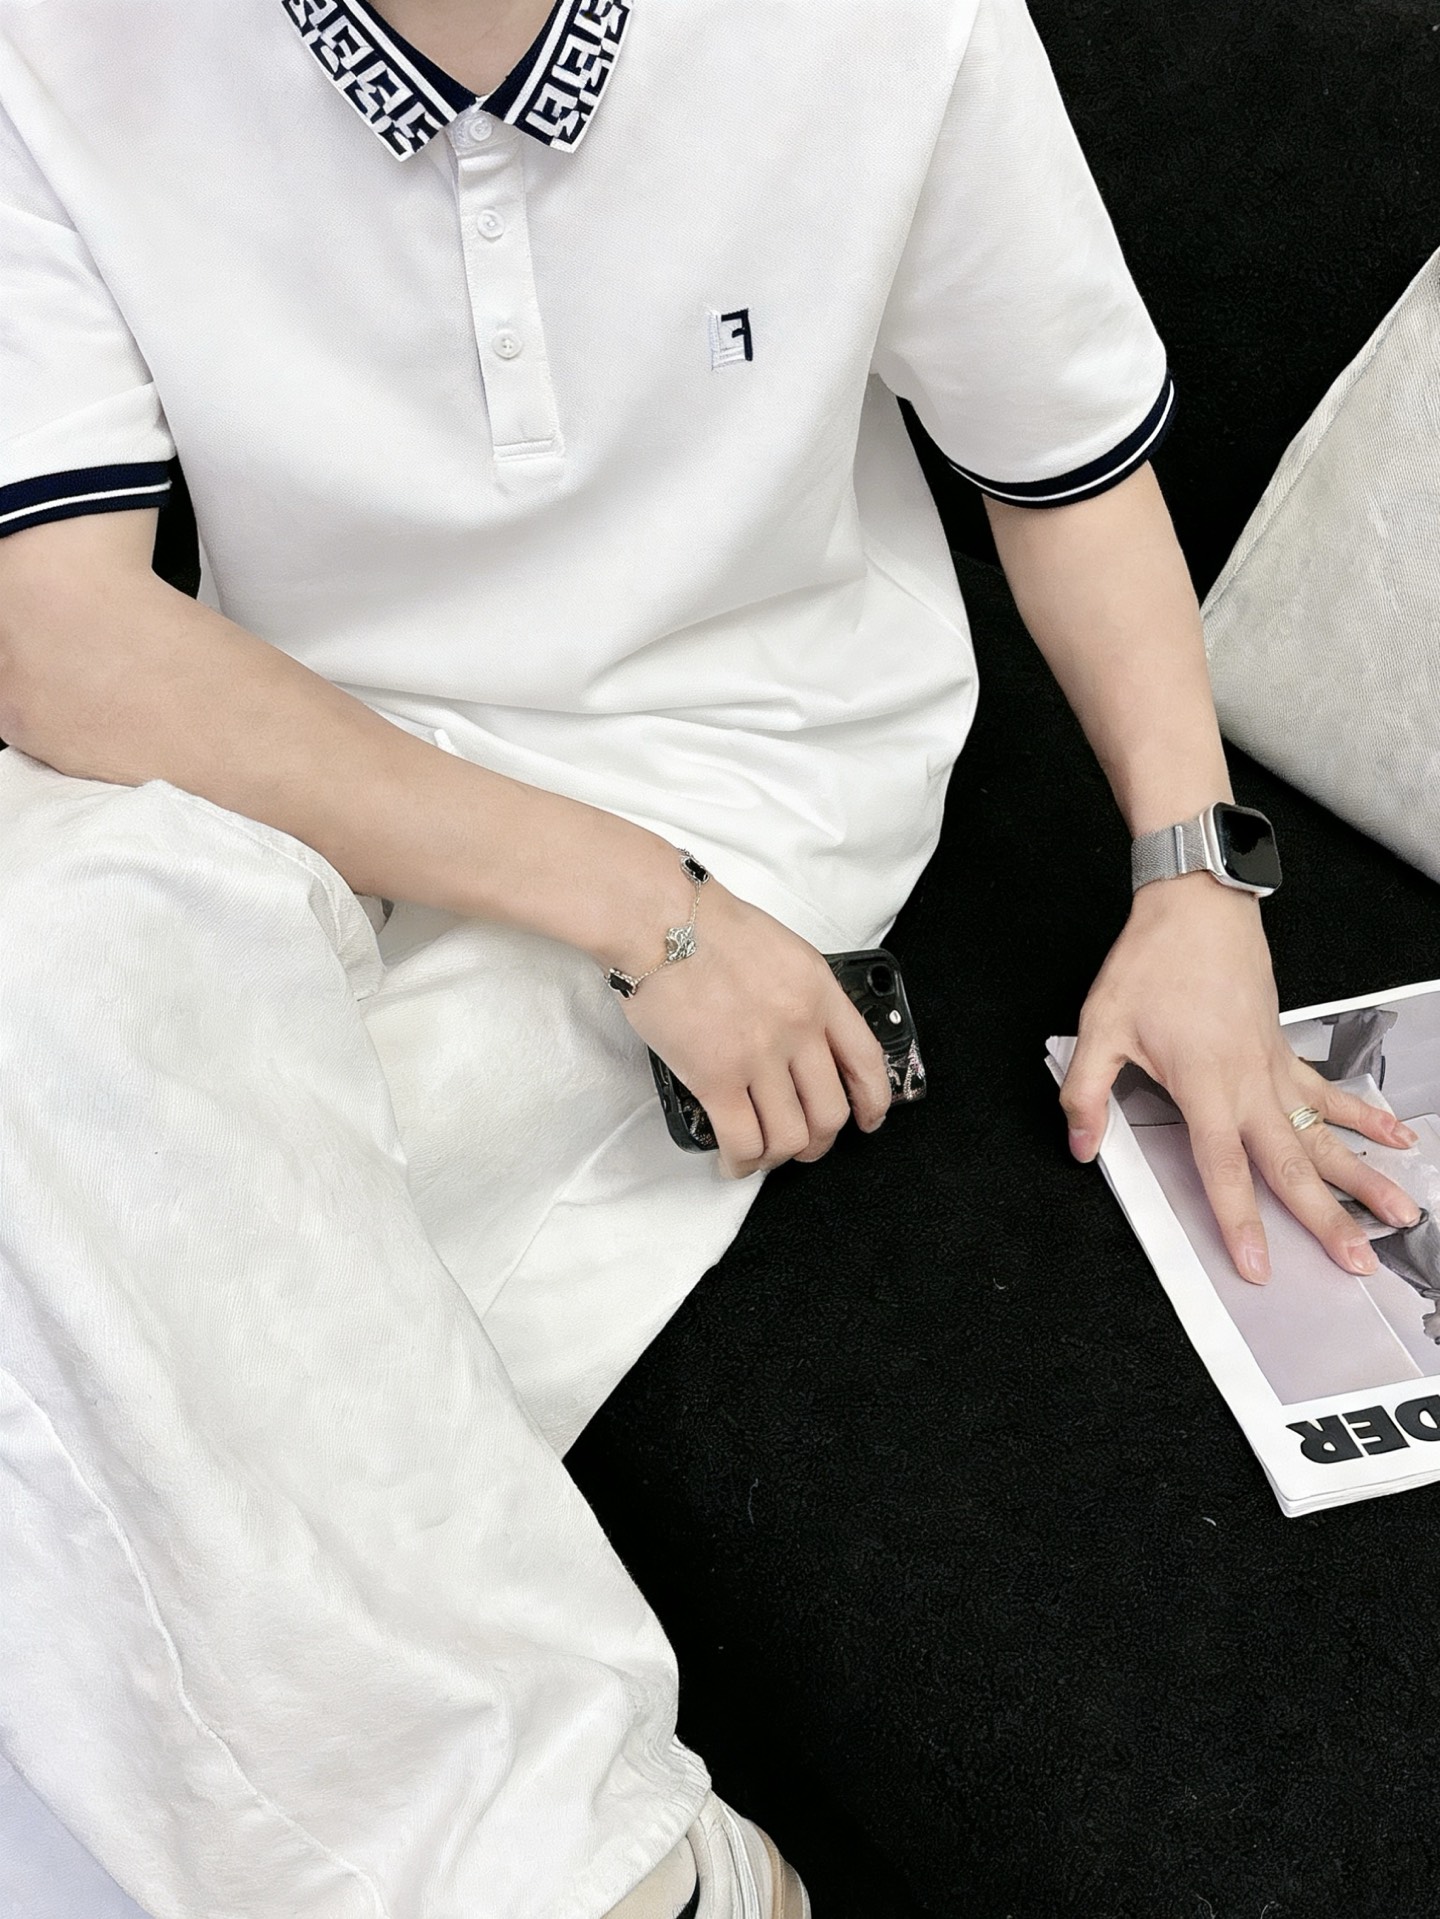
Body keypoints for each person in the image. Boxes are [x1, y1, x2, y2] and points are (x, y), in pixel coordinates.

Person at [0, 1, 1427, 1915]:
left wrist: (1194, 879)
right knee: (55, 1005)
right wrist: (635, 910)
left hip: (741, 774)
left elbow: (1064, 465)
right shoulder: (58, 45)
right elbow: (62, 640)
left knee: (182, 1387)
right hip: (279, 759)